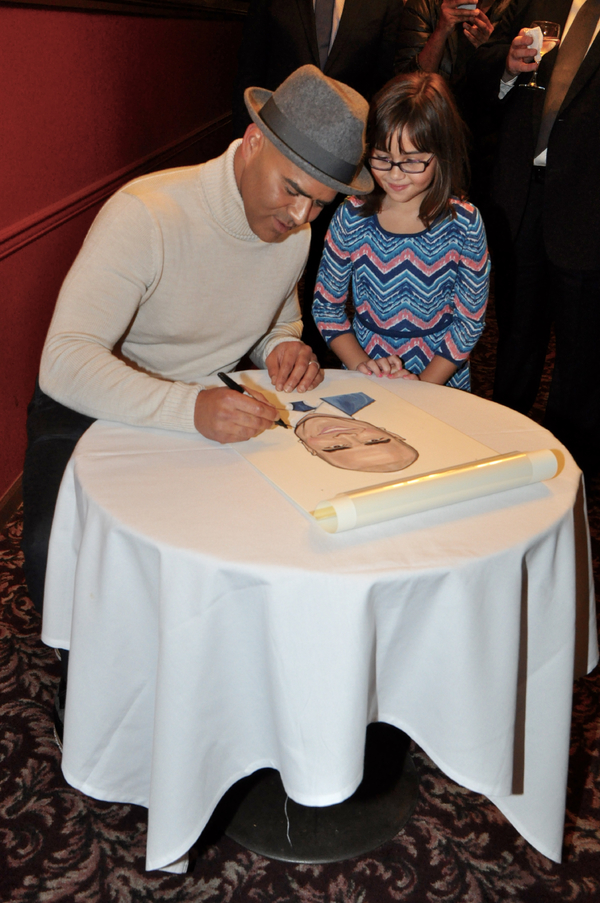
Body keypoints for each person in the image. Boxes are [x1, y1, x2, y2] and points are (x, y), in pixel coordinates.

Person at [22, 65, 373, 739]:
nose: (301, 217)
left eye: (321, 205)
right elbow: (65, 360)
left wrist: (282, 345)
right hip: (92, 400)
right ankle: (88, 667)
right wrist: (189, 408)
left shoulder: (292, 234)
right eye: (294, 190)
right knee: (53, 544)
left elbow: (278, 317)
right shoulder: (145, 213)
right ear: (250, 143)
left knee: (287, 525)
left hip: (207, 396)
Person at [231, 0, 404, 364]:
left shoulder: (386, 5)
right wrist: (246, 162)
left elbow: (380, 82)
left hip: (337, 166)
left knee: (318, 267)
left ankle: (307, 353)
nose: (300, 213)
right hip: (277, 151)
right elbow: (250, 64)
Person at [470, 0, 600, 481]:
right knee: (515, 337)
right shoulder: (535, 2)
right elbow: (477, 68)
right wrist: (505, 64)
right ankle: (506, 456)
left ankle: (568, 475)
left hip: (589, 208)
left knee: (580, 352)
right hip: (519, 198)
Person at [312, 72, 490, 390]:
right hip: (367, 373)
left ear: (442, 155)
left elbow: (469, 321)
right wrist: (361, 363)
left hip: (440, 380)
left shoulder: (464, 223)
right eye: (382, 158)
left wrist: (422, 384)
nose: (395, 174)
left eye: (411, 161)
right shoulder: (350, 216)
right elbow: (326, 305)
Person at [286, 390, 419, 471]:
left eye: (334, 447)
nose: (345, 435)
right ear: (390, 433)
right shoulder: (367, 392)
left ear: (310, 449)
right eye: (373, 440)